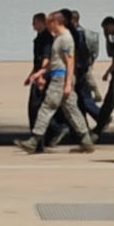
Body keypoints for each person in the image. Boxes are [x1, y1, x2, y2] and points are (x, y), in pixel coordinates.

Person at [18, 12, 97, 154]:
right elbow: (55, 61)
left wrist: (67, 83)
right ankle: (86, 140)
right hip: (59, 76)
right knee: (72, 110)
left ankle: (34, 140)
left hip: (60, 79)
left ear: (57, 23)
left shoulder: (65, 39)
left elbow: (70, 61)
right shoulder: (59, 39)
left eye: (50, 23)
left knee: (47, 108)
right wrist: (39, 73)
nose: (48, 27)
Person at [94, 15, 114, 130]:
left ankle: (100, 126)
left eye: (106, 29)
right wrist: (107, 38)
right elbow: (110, 53)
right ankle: (100, 124)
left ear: (112, 25)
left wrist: (107, 72)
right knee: (109, 102)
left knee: (109, 101)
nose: (106, 31)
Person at [26, 12, 53, 130]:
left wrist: (41, 75)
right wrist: (30, 75)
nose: (33, 25)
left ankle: (50, 130)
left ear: (42, 23)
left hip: (42, 75)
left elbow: (46, 58)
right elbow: (37, 60)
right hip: (38, 73)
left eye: (35, 22)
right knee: (35, 106)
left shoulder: (47, 38)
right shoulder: (39, 38)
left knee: (36, 106)